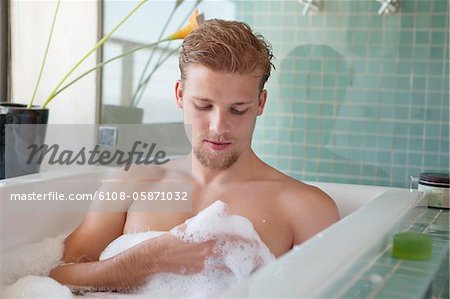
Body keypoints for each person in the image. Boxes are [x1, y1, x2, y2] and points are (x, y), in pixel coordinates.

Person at [49, 19, 339, 291]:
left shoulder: (304, 208)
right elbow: (55, 277)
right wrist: (141, 262)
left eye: (237, 110)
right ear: (179, 95)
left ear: (260, 103)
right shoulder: (135, 182)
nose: (218, 127)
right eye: (203, 106)